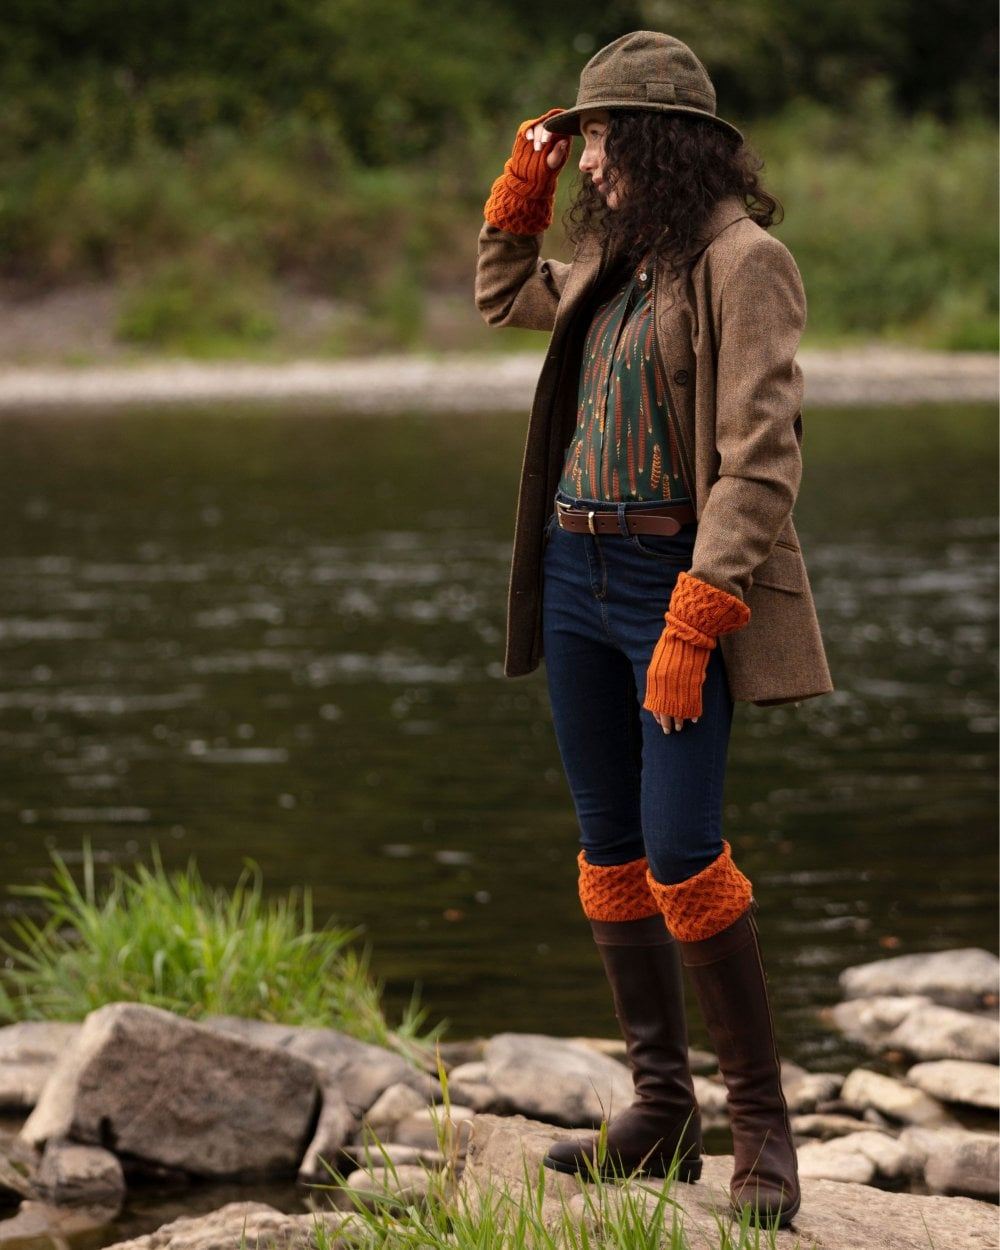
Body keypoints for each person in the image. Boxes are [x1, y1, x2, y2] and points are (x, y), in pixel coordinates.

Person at [474, 29, 834, 1231]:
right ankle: (661, 1108)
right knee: (610, 844)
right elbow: (499, 293)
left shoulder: (746, 261)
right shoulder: (611, 260)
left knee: (683, 848)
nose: (590, 165)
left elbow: (762, 456)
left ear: (666, 142)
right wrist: (519, 185)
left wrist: (699, 609)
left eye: (604, 140)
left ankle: (764, 1130)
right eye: (580, 145)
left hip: (671, 588)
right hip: (575, 577)